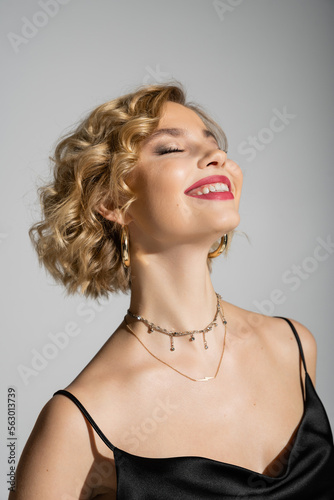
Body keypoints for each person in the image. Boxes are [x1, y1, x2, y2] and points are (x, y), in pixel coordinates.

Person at [10, 83, 334, 499]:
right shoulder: (79, 424)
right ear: (112, 201)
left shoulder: (294, 347)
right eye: (170, 149)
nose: (217, 157)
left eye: (214, 144)